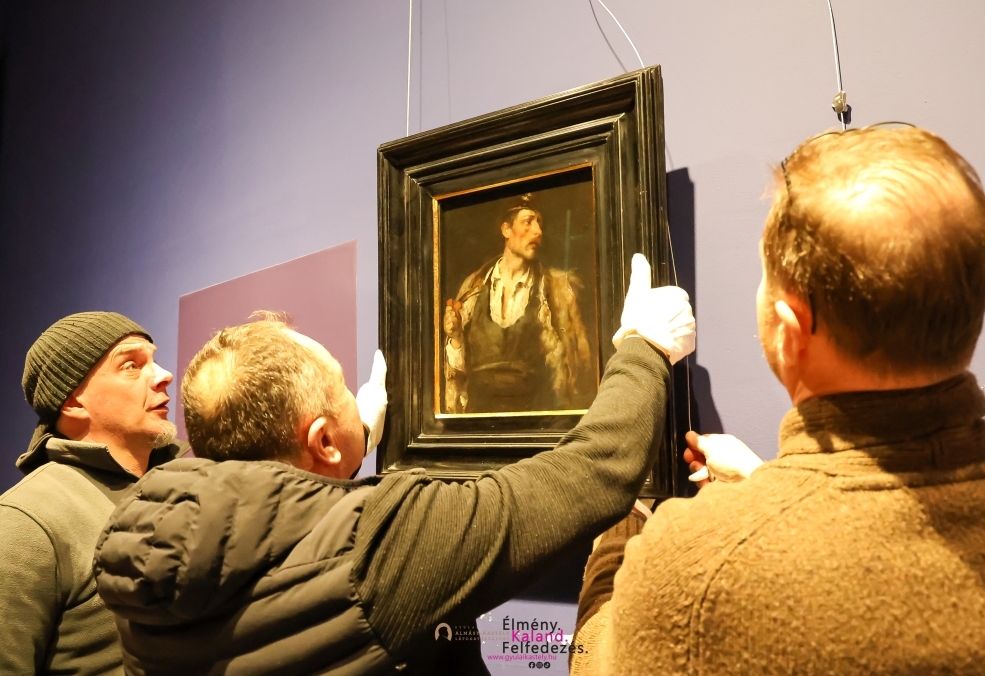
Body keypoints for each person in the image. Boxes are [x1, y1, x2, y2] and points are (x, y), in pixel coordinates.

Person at [92, 255, 696, 675]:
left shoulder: (144, 547)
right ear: (321, 442)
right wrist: (644, 347)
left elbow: (286, 523)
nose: (353, 397)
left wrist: (349, 443)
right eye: (341, 389)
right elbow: (596, 470)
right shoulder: (384, 543)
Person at [571, 126, 985, 675]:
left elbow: (595, 658)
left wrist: (621, 522)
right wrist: (764, 483)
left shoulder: (695, 566)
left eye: (767, 278)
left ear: (788, 331)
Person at [0, 311, 188, 675]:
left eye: (154, 360)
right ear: (73, 401)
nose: (164, 375)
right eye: (131, 365)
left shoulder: (186, 489)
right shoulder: (26, 521)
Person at [443, 196, 593, 413]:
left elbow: (572, 374)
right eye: (528, 222)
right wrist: (456, 337)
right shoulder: (472, 289)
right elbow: (456, 376)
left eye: (539, 223)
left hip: (533, 417)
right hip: (478, 417)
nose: (537, 231)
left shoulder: (554, 292)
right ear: (506, 230)